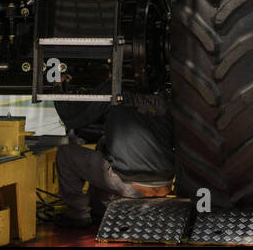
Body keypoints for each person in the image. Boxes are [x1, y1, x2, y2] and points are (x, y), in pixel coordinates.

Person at [55, 98, 174, 229]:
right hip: (165, 185)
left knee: (65, 153)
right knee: (103, 144)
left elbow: (71, 115)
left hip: (132, 187)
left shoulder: (114, 93)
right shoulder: (167, 99)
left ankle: (77, 214)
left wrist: (57, 85)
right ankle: (98, 208)